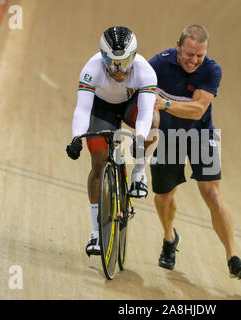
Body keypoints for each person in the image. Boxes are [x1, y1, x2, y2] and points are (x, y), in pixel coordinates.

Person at [149, 25, 241, 279]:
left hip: (200, 134)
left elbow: (197, 109)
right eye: (189, 55)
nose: (195, 61)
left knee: (212, 193)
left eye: (200, 55)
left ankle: (233, 257)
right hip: (166, 136)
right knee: (164, 195)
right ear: (178, 46)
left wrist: (164, 103)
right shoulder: (158, 64)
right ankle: (169, 237)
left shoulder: (211, 69)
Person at [66, 26, 159, 257]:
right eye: (112, 61)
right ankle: (96, 232)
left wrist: (138, 139)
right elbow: (82, 108)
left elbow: (146, 113)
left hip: (131, 105)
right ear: (102, 56)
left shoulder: (145, 72)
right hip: (101, 109)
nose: (118, 69)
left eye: (124, 61)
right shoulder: (91, 68)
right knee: (98, 164)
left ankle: (139, 173)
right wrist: (76, 138)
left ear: (134, 56)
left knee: (155, 120)